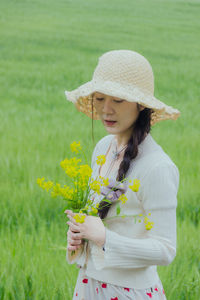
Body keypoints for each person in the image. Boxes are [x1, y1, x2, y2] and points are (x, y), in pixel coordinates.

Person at [64, 50, 180, 300]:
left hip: (128, 293)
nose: (106, 109)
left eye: (118, 100)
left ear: (141, 104)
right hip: (88, 285)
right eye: (99, 98)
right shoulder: (102, 148)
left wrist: (104, 236)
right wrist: (79, 235)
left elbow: (166, 249)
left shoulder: (158, 167)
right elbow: (101, 219)